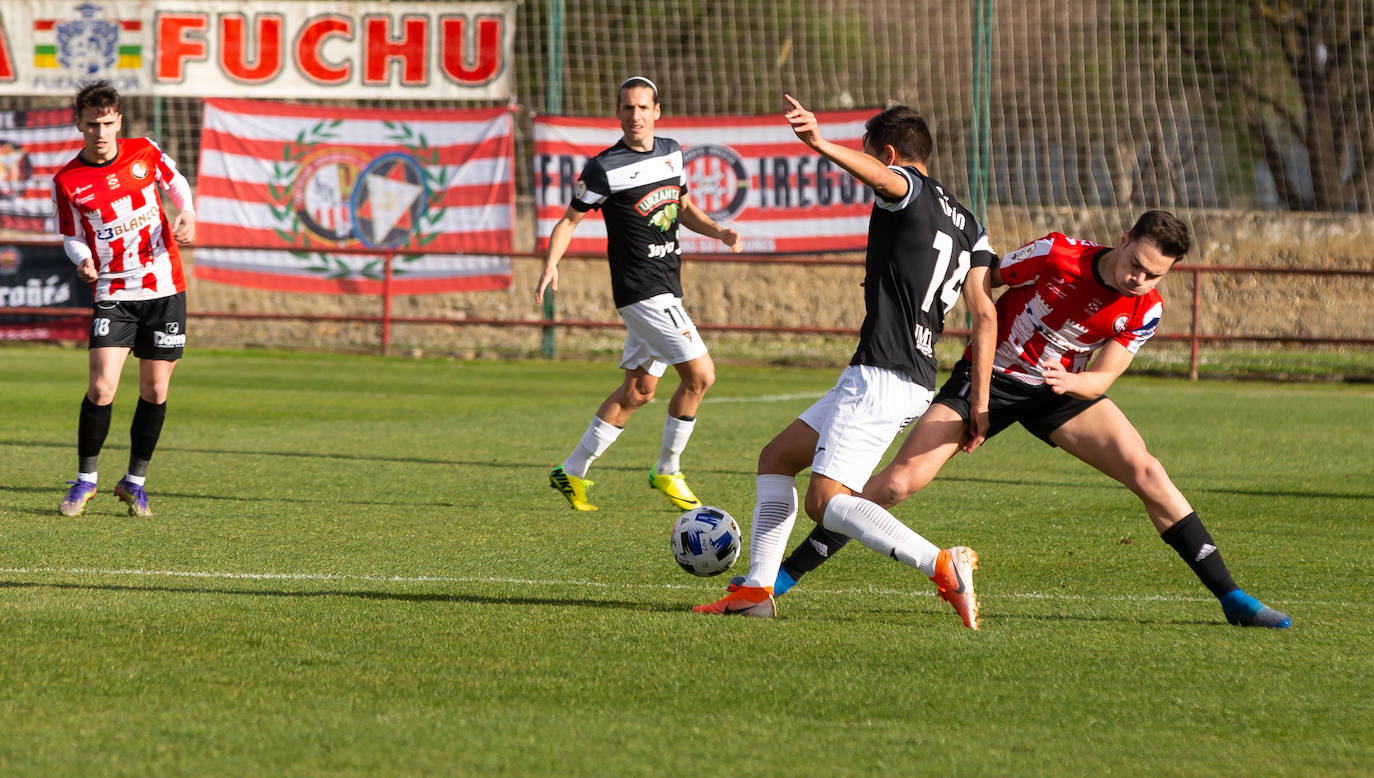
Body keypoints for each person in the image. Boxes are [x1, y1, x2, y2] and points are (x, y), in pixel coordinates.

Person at [747, 210, 1292, 629]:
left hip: (1060, 390)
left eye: (1153, 276)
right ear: (1123, 239)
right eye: (1136, 265)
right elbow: (984, 282)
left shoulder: (1145, 309)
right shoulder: (1057, 253)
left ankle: (1233, 598)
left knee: (1148, 473)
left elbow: (1102, 379)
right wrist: (981, 391)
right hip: (989, 376)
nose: (1139, 280)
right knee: (895, 484)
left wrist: (1073, 383)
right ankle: (777, 582)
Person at [694, 94, 998, 625]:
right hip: (909, 372)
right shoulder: (971, 225)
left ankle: (942, 564)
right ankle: (757, 592)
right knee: (777, 458)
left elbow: (889, 182)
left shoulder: (908, 186)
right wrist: (981, 402)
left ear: (889, 152)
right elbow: (985, 315)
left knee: (824, 501)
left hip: (882, 370)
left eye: (874, 157)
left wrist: (819, 144)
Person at [535, 76, 742, 512]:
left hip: (668, 286)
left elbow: (682, 208)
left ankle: (570, 470)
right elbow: (569, 221)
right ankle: (667, 470)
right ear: (618, 114)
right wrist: (551, 263)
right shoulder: (603, 167)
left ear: (656, 111)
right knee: (701, 375)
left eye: (643, 107)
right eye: (627, 108)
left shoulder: (671, 152)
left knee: (639, 391)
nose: (635, 116)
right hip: (642, 292)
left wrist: (719, 230)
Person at [52, 80, 196, 518]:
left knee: (155, 389)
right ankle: (85, 482)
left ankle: (134, 483)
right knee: (101, 386)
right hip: (114, 290)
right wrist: (82, 261)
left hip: (165, 289)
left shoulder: (145, 152)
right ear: (79, 124)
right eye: (92, 124)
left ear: (119, 122)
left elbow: (177, 184)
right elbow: (72, 238)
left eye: (108, 123)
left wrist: (186, 211)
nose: (101, 132)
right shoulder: (68, 180)